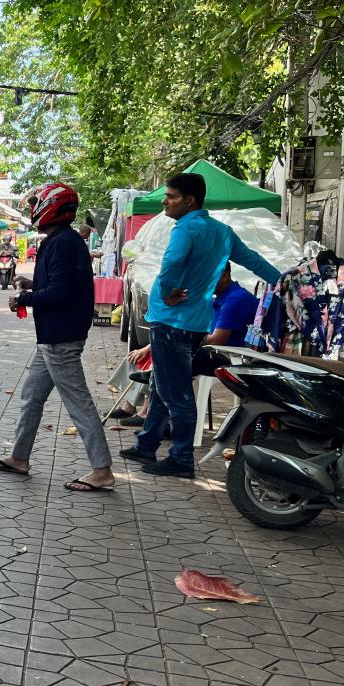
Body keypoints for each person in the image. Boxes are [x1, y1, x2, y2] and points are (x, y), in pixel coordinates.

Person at [120, 172, 281, 478]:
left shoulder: (185, 229)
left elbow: (171, 264)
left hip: (171, 322)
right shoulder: (222, 231)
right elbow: (253, 260)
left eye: (171, 196)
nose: (165, 202)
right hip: (195, 323)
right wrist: (283, 282)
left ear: (190, 200)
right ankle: (147, 443)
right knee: (162, 385)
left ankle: (181, 457)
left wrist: (167, 292)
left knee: (176, 392)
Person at [0, 182, 114, 493]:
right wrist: (31, 282)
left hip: (61, 338)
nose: (32, 210)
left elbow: (58, 293)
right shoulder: (61, 241)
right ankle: (20, 457)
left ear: (51, 206)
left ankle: (102, 470)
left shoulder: (63, 243)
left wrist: (24, 299)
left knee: (78, 403)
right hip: (52, 338)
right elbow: (59, 282)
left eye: (36, 204)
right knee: (31, 396)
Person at [114, 260, 262, 426]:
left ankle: (155, 416)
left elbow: (216, 339)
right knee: (160, 349)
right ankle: (150, 411)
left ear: (224, 276)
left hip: (228, 355)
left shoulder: (236, 299)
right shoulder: (218, 297)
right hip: (214, 350)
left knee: (168, 357)